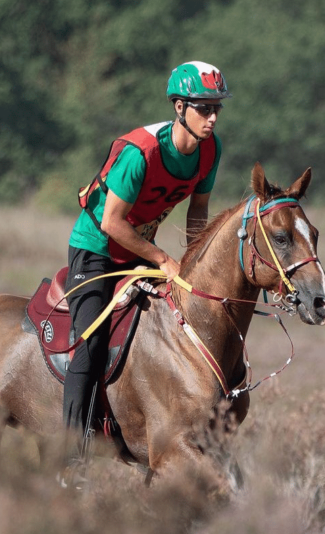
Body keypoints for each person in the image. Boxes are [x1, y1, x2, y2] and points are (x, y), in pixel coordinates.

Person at [60, 61, 231, 483]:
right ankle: (70, 458)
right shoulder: (141, 152)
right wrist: (160, 258)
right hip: (96, 251)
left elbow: (199, 213)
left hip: (140, 252)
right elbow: (111, 223)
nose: (212, 118)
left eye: (216, 109)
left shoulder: (210, 151)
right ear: (178, 107)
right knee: (93, 339)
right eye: (202, 108)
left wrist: (194, 265)